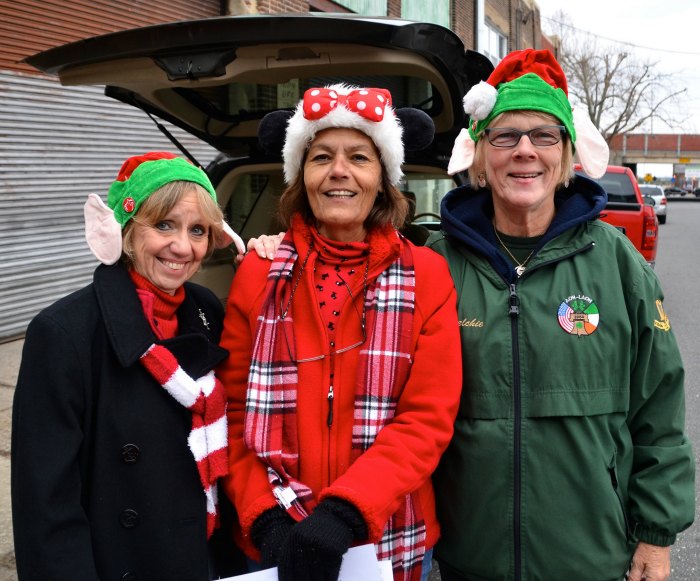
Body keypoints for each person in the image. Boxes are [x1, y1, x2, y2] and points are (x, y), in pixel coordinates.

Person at [428, 49, 695, 581]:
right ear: (480, 155)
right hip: (465, 558)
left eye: (545, 135)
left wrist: (656, 535)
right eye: (505, 136)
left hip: (591, 557)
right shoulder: (435, 264)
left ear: (569, 154)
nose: (525, 150)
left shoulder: (618, 263)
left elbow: (658, 410)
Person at [217, 85, 462, 581]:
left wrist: (345, 512)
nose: (339, 172)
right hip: (273, 537)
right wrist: (264, 517)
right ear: (300, 176)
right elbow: (234, 413)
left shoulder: (428, 275)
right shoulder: (257, 274)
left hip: (389, 536)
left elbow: (427, 418)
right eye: (321, 156)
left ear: (384, 178)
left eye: (359, 157)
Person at [11, 152, 248, 581]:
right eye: (164, 225)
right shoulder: (63, 333)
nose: (182, 247)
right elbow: (46, 506)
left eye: (197, 230)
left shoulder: (207, 311)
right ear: (128, 230)